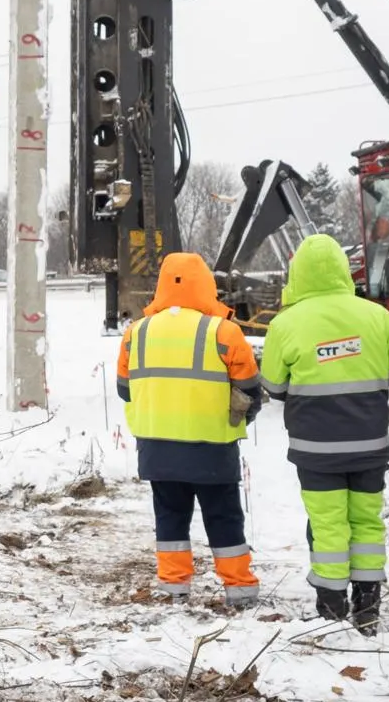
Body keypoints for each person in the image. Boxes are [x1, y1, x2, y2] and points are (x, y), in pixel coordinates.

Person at [260, 233, 389, 632]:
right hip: (369, 445)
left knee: (328, 524)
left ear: (298, 275)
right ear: (344, 272)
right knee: (366, 522)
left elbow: (275, 387)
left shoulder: (285, 323)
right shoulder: (376, 316)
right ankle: (368, 609)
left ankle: (331, 608)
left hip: (316, 449)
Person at [117, 252, 264, 607]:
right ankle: (239, 589)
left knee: (169, 518)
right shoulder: (225, 332)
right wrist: (242, 416)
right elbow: (248, 389)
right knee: (224, 517)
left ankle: (173, 588)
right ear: (207, 286)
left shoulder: (136, 333)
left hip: (157, 448)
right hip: (211, 448)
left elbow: (125, 388)